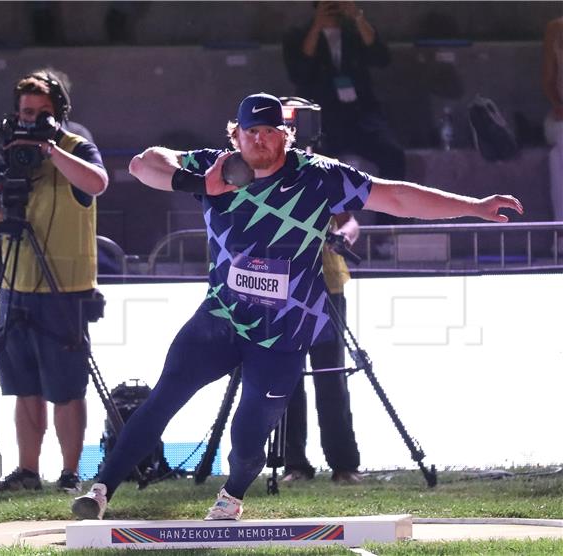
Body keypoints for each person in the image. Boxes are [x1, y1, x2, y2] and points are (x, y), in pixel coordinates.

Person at [72, 92, 522, 521]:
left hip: (283, 335)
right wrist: (193, 181)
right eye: (251, 132)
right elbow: (143, 163)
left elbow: (396, 196)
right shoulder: (216, 167)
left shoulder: (318, 175)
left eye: (270, 131)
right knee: (162, 399)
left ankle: (232, 495)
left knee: (249, 439)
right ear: (236, 136)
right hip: (221, 320)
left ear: (287, 135)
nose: (260, 140)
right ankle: (100, 489)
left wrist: (475, 207)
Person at [0, 69, 109, 494]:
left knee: (66, 388)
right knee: (24, 386)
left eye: (42, 112)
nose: (32, 119)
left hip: (65, 287)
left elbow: (97, 183)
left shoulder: (77, 148)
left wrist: (51, 150)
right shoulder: (11, 150)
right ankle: (27, 470)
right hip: (16, 283)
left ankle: (71, 472)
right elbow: (4, 205)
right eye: (26, 112)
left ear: (59, 114)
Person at [282, 1, 406, 241]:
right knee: (314, 166)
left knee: (393, 155)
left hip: (361, 115)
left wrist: (357, 16)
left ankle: (385, 234)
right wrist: (318, 26)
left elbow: (382, 58)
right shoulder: (299, 34)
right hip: (323, 118)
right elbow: (299, 72)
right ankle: (324, 235)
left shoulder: (354, 31)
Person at [282, 213, 361, 485]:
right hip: (281, 287)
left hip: (327, 284)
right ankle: (294, 465)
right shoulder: (262, 173)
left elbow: (350, 221)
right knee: (286, 379)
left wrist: (344, 236)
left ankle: (344, 464)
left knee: (331, 376)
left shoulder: (325, 172)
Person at [542, 16, 563, 230]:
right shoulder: (556, 28)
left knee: (555, 158)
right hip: (560, 117)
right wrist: (558, 104)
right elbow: (548, 82)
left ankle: (559, 230)